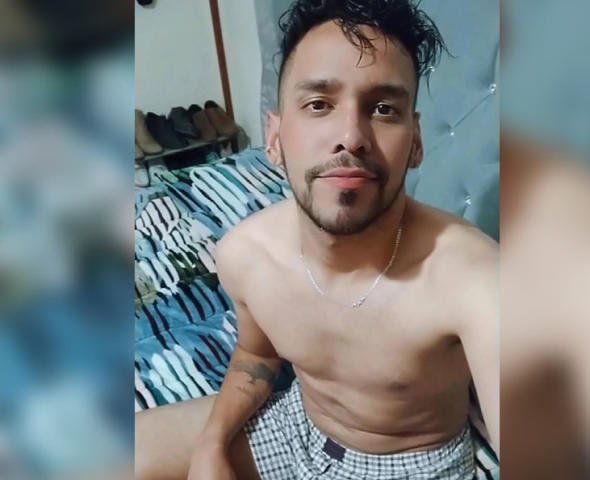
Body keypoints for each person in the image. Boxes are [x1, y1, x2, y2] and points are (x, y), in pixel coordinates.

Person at [136, 1, 498, 479]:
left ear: (415, 141)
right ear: (274, 137)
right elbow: (256, 356)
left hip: (413, 462)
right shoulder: (246, 255)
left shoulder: (472, 278)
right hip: (295, 429)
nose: (350, 136)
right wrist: (212, 445)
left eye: (383, 109)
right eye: (318, 105)